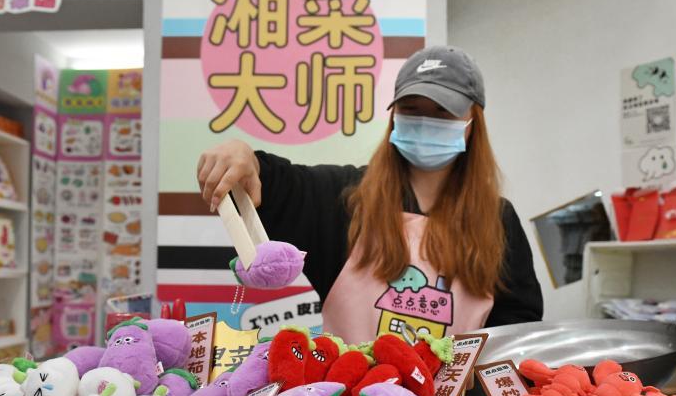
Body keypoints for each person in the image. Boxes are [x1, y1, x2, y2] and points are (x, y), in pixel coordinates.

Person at [198, 45, 542, 343]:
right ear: (395, 116)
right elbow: (281, 185)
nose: (426, 120)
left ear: (473, 122)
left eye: (443, 112)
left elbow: (516, 328)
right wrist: (245, 158)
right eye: (412, 109)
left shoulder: (499, 220)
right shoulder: (345, 198)